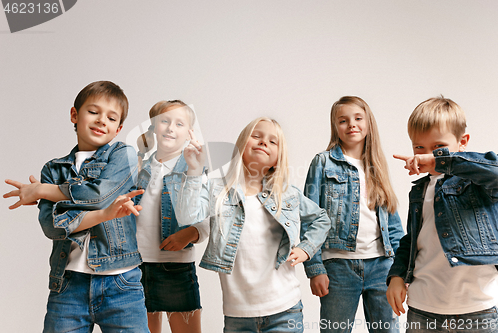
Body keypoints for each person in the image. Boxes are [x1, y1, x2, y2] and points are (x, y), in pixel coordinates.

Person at [3, 81, 149, 333]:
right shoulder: (54, 169)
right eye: (93, 112)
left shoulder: (123, 155)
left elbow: (98, 195)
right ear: (74, 114)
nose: (102, 120)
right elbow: (51, 226)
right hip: (68, 283)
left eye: (111, 118)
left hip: (121, 283)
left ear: (118, 128)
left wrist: (40, 190)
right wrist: (103, 215)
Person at [176, 117, 331, 333]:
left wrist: (306, 249)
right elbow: (187, 215)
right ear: (240, 147)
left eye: (272, 142)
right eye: (256, 136)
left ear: (277, 160)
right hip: (238, 315)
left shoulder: (286, 194)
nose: (263, 142)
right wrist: (193, 170)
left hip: (285, 310)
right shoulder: (217, 190)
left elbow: (321, 219)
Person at [386, 96, 498, 332]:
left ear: (463, 141)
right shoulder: (420, 190)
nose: (428, 155)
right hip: (423, 309)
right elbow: (412, 239)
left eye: (438, 147)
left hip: (478, 310)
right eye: (420, 148)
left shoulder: (477, 182)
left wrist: (444, 161)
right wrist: (396, 276)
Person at [304, 96, 404, 333]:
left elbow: (393, 223)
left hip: (382, 266)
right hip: (338, 267)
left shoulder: (377, 165)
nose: (352, 124)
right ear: (335, 126)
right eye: (343, 120)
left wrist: (401, 270)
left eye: (358, 118)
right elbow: (309, 219)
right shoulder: (322, 162)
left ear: (368, 123)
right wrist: (315, 269)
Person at [135, 100, 208, 333]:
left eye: (179, 123)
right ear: (154, 127)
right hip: (134, 265)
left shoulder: (194, 168)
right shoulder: (139, 166)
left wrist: (190, 233)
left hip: (175, 267)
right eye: (164, 122)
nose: (170, 128)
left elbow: (207, 216)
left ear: (189, 132)